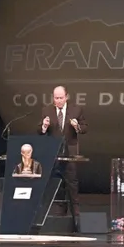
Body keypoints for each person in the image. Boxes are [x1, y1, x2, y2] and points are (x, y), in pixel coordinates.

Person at [38, 85, 88, 216]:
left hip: (70, 150)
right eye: (56, 98)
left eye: (61, 98)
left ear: (66, 97)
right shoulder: (46, 110)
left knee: (71, 181)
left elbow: (84, 128)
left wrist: (77, 126)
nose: (58, 101)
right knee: (56, 180)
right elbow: (39, 131)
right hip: (53, 150)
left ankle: (75, 212)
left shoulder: (76, 110)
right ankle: (59, 210)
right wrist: (44, 126)